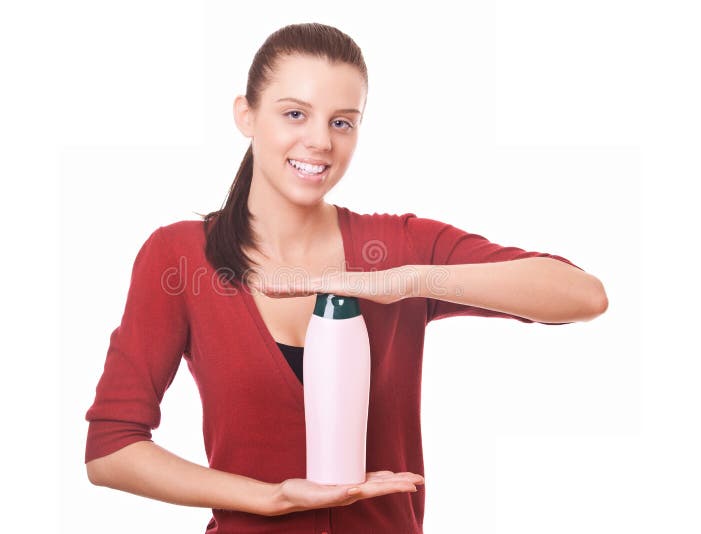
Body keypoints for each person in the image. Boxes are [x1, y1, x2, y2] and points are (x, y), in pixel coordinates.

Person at [83, 22, 608, 533]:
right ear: (246, 115)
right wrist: (268, 499)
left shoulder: (401, 246)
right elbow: (111, 450)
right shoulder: (179, 257)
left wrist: (404, 282)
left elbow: (583, 295)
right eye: (295, 114)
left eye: (342, 122)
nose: (320, 142)